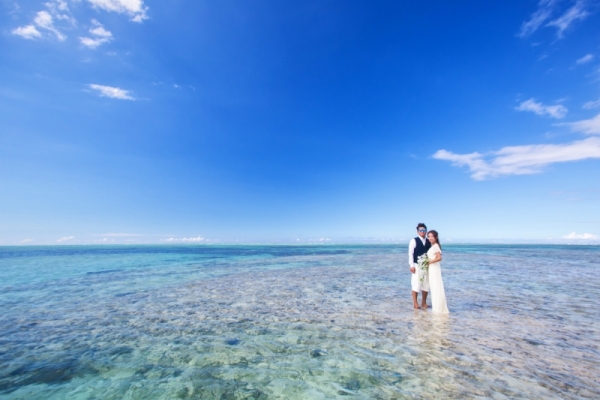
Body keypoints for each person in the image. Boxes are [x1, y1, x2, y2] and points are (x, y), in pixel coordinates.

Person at [426, 230, 449, 314]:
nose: (430, 238)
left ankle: (439, 308)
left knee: (436, 287)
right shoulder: (434, 246)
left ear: (436, 237)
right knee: (434, 288)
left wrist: (429, 262)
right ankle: (437, 307)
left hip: (434, 268)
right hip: (433, 268)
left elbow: (439, 258)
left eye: (432, 236)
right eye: (428, 236)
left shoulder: (435, 246)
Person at [408, 223, 430, 309]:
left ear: (426, 231)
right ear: (417, 231)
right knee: (416, 284)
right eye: (420, 230)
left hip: (426, 266)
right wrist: (411, 265)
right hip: (417, 265)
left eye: (424, 230)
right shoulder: (414, 240)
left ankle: (424, 303)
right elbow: (410, 253)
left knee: (426, 284)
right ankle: (415, 303)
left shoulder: (428, 241)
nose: (422, 231)